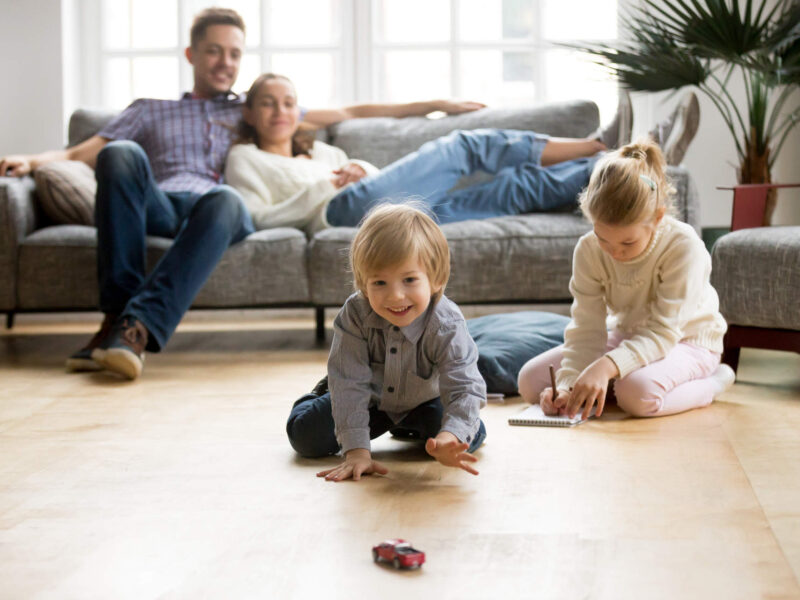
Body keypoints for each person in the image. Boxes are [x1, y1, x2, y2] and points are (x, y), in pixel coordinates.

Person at [0, 9, 483, 381]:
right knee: (121, 153)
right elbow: (86, 150)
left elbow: (350, 111)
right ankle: (118, 321)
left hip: (218, 212)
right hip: (162, 204)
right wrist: (34, 161)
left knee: (227, 199)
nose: (225, 62)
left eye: (234, 53)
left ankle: (131, 329)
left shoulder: (250, 110)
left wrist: (435, 104)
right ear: (192, 55)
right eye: (214, 51)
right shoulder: (150, 109)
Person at [224, 73, 639, 234]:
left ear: (300, 112)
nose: (280, 111)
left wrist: (359, 168)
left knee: (516, 188)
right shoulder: (246, 158)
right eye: (267, 103)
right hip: (340, 213)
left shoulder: (323, 150)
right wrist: (324, 186)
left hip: (389, 216)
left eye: (288, 102)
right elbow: (255, 218)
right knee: (461, 146)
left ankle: (622, 164)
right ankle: (598, 143)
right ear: (249, 112)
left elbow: (375, 181)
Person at [517, 140, 735, 421]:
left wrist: (605, 367)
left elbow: (663, 332)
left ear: (657, 218)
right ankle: (609, 383)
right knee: (530, 382)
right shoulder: (588, 249)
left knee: (636, 395)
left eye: (628, 242)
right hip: (628, 337)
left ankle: (714, 381)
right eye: (603, 238)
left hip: (688, 341)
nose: (615, 252)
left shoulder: (684, 246)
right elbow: (586, 328)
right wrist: (567, 386)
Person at [286, 203, 486, 482]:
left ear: (436, 279)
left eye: (409, 280)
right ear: (362, 284)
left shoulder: (447, 322)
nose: (395, 296)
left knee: (468, 436)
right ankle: (322, 390)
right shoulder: (355, 314)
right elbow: (350, 385)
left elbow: (464, 387)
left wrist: (448, 437)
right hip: (368, 396)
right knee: (304, 437)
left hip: (425, 399)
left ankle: (409, 425)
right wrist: (356, 451)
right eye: (379, 283)